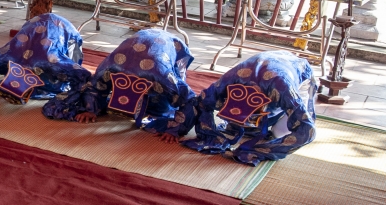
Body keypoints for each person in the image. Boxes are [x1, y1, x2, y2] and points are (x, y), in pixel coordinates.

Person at [43, 29, 197, 142]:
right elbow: (96, 85)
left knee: (164, 105)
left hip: (168, 47)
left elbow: (189, 99)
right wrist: (91, 109)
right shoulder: (110, 67)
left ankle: (152, 101)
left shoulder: (163, 77)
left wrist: (175, 128)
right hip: (131, 50)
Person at [182, 51, 316, 165]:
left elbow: (308, 130)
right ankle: (248, 127)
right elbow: (200, 102)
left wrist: (259, 150)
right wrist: (180, 129)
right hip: (261, 73)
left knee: (280, 132)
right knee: (245, 128)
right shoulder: (228, 81)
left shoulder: (284, 90)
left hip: (297, 70)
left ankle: (272, 125)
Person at [0, 13, 91, 102]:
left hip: (63, 29)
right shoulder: (5, 58)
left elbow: (83, 75)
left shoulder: (53, 61)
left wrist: (72, 99)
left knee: (61, 83)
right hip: (34, 26)